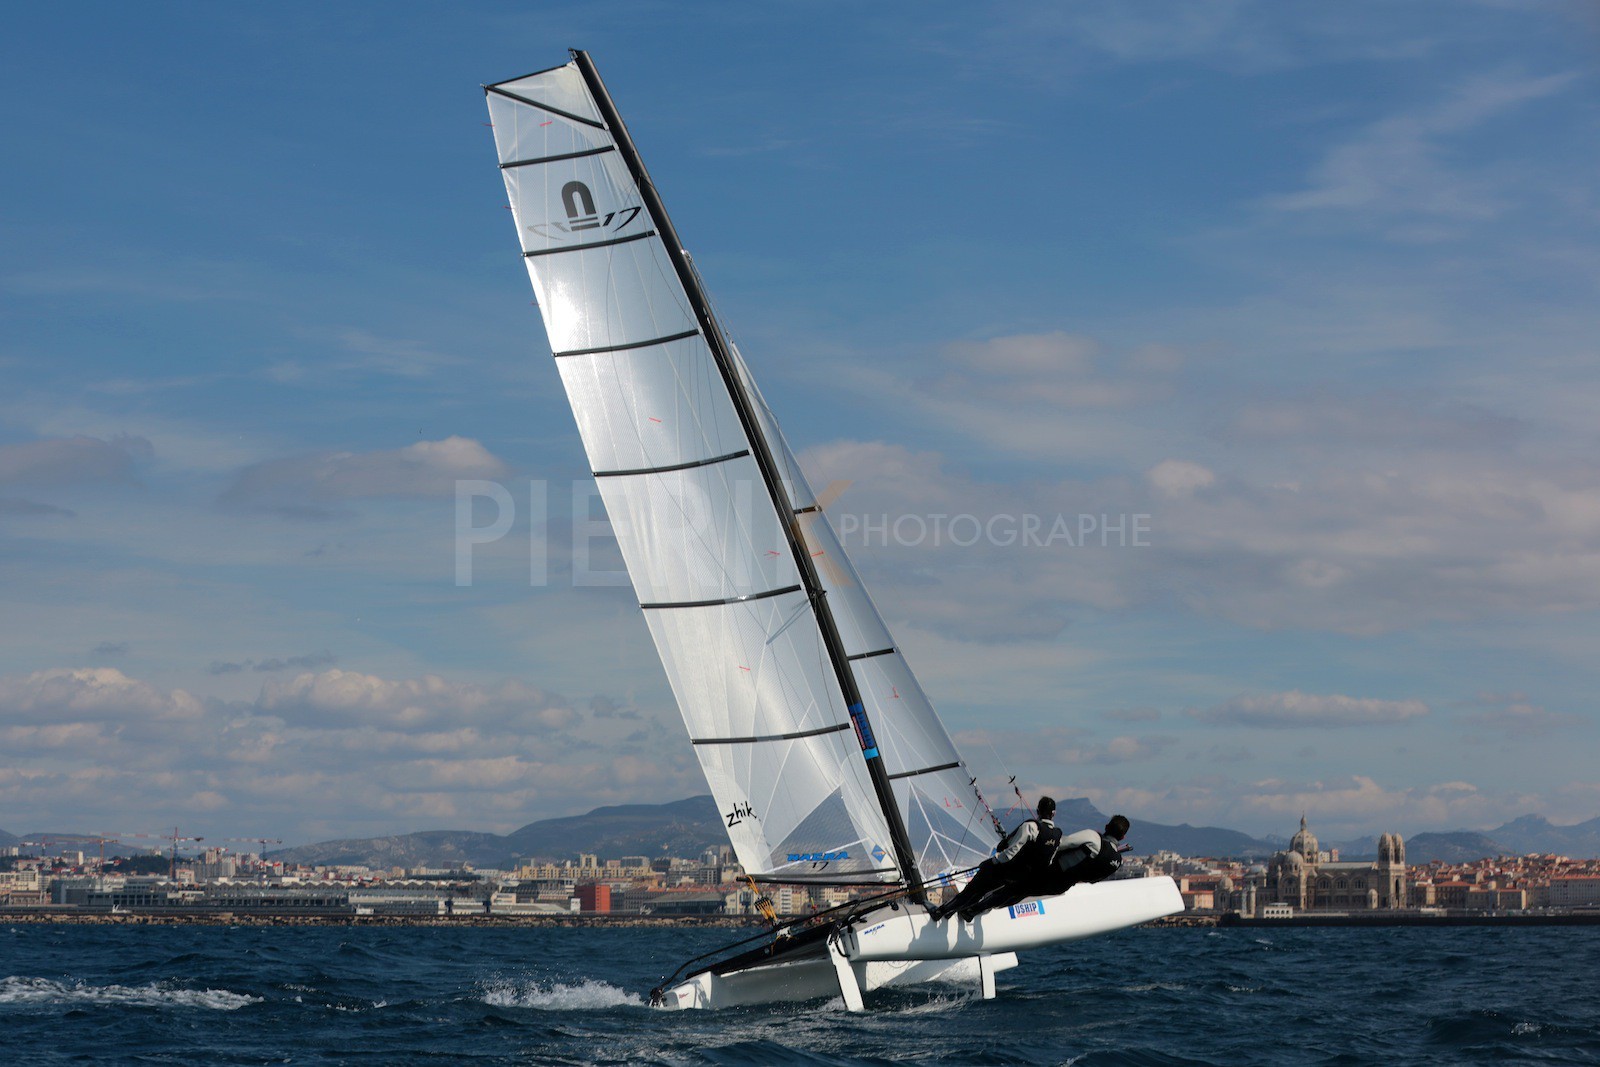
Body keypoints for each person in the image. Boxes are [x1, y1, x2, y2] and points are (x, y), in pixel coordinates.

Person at [927, 797, 1061, 923]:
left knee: (973, 890)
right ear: (1053, 814)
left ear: (1038, 811)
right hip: (1022, 879)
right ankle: (965, 913)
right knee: (985, 892)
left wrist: (992, 861)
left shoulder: (1031, 827)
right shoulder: (1057, 835)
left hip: (1004, 870)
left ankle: (940, 912)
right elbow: (1048, 861)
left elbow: (1011, 852)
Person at [988, 814, 1132, 912]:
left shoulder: (1093, 837)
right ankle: (993, 907)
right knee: (1022, 892)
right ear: (1123, 836)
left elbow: (1061, 843)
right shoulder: (1117, 860)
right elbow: (1093, 879)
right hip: (1063, 886)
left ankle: (978, 906)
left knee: (1015, 887)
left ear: (1107, 826)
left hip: (1050, 872)